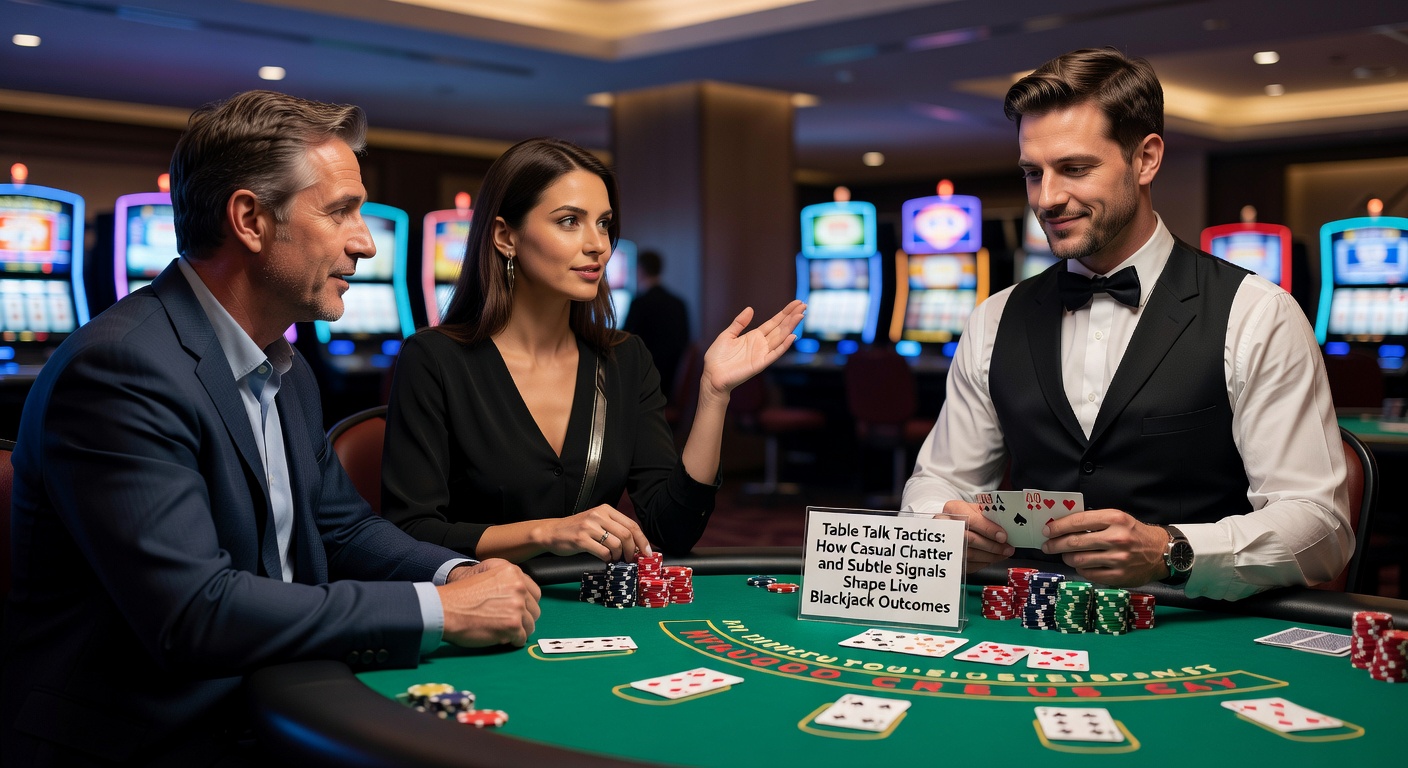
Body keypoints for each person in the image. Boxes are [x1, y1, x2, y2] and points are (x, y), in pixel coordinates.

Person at [0, 90, 541, 766]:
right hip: (152, 740)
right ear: (251, 220)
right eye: (341, 211)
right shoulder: (120, 370)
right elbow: (194, 613)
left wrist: (460, 573)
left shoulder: (285, 365)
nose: (366, 242)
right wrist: (441, 612)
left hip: (280, 700)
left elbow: (341, 528)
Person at [901, 48, 1351, 601]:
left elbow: (1320, 528)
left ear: (1146, 159)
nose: (1047, 199)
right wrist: (943, 525)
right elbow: (937, 482)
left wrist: (1171, 550)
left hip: (1193, 626)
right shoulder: (994, 318)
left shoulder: (1256, 312)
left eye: (1075, 168)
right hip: (1033, 619)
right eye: (1033, 173)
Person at [381, 137, 805, 564]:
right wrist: (547, 533)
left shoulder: (626, 359)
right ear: (505, 236)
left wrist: (714, 395)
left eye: (603, 223)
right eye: (569, 221)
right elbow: (411, 531)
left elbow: (671, 531)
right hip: (480, 597)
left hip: (586, 600)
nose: (598, 244)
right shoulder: (433, 359)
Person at [623, 249, 691, 399]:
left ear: (640, 269)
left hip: (644, 383)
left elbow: (624, 341)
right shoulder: (679, 303)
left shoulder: (639, 303)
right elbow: (685, 343)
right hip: (672, 383)